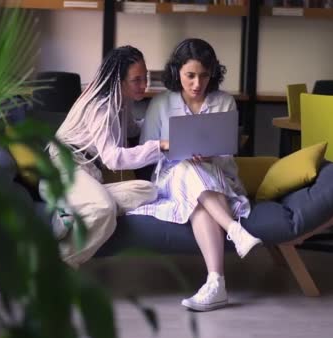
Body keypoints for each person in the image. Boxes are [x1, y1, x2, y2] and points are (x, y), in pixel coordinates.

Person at [131, 38, 262, 311]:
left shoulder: (224, 102)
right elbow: (147, 151)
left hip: (216, 181)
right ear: (177, 72)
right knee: (187, 166)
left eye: (204, 76)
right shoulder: (161, 104)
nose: (196, 84)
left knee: (199, 200)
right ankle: (234, 230)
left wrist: (211, 155)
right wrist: (174, 151)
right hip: (171, 179)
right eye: (190, 75)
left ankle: (216, 284)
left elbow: (227, 157)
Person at [43, 46, 169, 267]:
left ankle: (71, 205)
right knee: (104, 210)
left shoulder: (123, 101)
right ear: (118, 80)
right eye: (136, 80)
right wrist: (159, 146)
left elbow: (131, 130)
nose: (144, 85)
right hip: (65, 165)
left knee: (148, 191)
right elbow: (112, 158)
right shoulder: (100, 106)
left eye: (145, 77)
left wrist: (164, 125)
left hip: (88, 173)